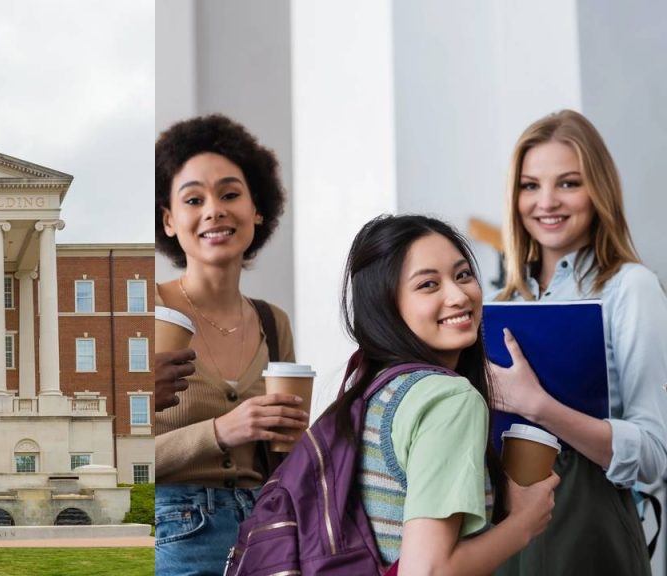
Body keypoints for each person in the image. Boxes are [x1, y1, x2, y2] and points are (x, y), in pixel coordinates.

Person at [330, 214, 559, 574]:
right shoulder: (449, 400)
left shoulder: (369, 382)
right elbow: (427, 571)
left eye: (463, 275)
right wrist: (525, 523)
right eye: (428, 285)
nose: (458, 295)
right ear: (385, 304)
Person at [492, 110, 667, 575]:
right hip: (503, 537)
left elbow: (654, 455)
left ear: (599, 191)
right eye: (530, 185)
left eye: (568, 183)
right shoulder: (501, 302)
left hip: (589, 536)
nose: (546, 202)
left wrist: (539, 406)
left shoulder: (630, 288)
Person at [154, 114, 309, 576]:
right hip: (173, 533)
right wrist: (221, 432)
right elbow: (113, 456)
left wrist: (296, 439)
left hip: (264, 532)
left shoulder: (273, 322)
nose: (214, 211)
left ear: (257, 208)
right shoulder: (144, 312)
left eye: (230, 194)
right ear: (169, 220)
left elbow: (283, 460)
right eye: (193, 199)